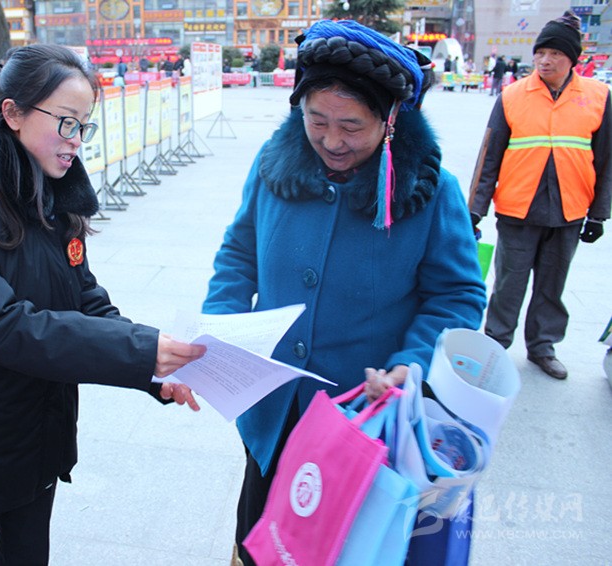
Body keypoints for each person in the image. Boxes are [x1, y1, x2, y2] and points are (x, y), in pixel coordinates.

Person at [0, 44, 206, 565]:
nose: (77, 140)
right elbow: (2, 326)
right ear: (13, 113)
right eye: (66, 122)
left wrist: (155, 369)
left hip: (34, 441)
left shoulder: (55, 200)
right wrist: (140, 351)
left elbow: (85, 300)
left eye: (84, 126)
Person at [202, 20, 487, 566]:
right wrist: (221, 325)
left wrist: (410, 364)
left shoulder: (431, 192)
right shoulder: (273, 166)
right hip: (275, 411)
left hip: (360, 421)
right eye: (317, 121)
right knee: (261, 540)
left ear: (390, 118)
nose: (333, 141)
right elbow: (239, 254)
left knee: (340, 548)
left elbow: (456, 295)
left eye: (352, 126)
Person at [469, 11, 612, 380]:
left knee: (552, 286)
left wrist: (599, 214)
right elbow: (489, 156)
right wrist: (475, 209)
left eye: (555, 54)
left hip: (569, 209)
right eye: (540, 53)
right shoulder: (513, 95)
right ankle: (495, 344)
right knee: (509, 284)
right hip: (518, 208)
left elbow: (606, 159)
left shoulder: (598, 96)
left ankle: (543, 347)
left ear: (572, 59)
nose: (545, 60)